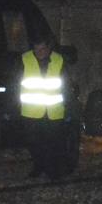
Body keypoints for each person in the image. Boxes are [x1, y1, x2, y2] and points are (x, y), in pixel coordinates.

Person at [19, 35, 69, 179]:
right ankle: (39, 167)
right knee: (34, 143)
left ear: (49, 48)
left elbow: (65, 85)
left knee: (52, 143)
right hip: (31, 111)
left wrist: (68, 106)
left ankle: (52, 171)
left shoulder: (58, 60)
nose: (39, 52)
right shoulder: (25, 60)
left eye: (42, 49)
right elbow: (16, 83)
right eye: (36, 49)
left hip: (53, 112)